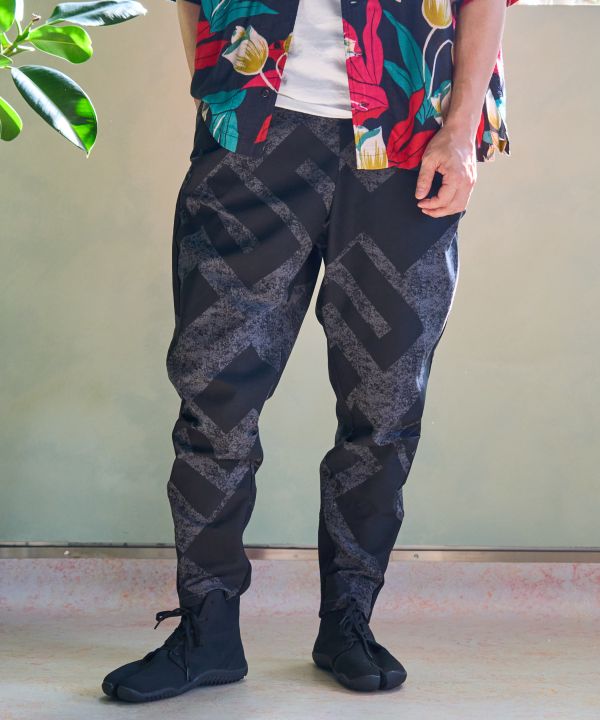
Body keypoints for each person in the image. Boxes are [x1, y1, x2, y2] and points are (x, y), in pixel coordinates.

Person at [102, 0, 519, 702]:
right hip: (256, 135)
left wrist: (460, 129)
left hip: (407, 133)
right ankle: (207, 630)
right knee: (214, 395)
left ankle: (348, 621)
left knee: (384, 402)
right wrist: (219, 88)